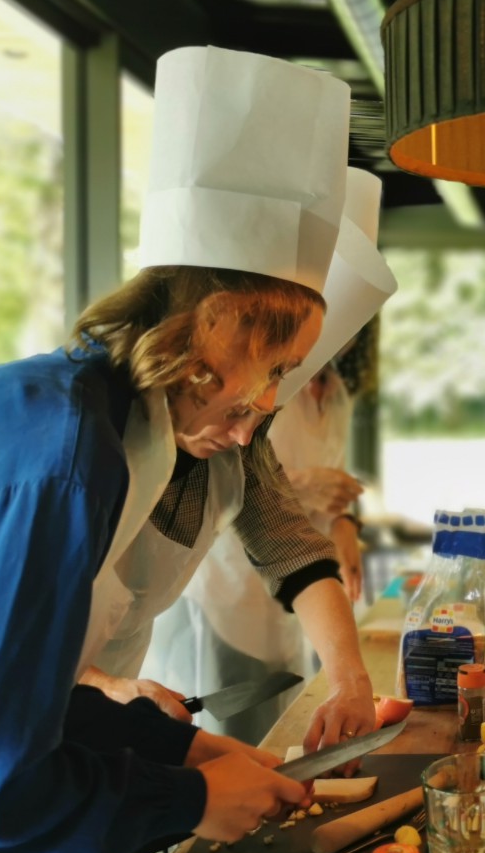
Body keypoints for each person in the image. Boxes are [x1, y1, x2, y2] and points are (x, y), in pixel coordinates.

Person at [0, 46, 371, 853]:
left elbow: (7, 695)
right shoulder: (51, 464)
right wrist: (188, 800)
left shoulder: (98, 429)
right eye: (273, 369)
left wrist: (170, 753)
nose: (264, 412)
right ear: (219, 324)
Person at [152, 166, 394, 748]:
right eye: (276, 369)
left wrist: (350, 682)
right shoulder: (77, 443)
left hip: (280, 610)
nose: (254, 418)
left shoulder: (256, 425)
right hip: (220, 600)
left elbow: (288, 543)